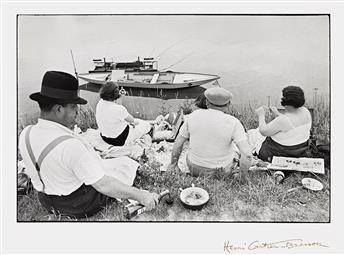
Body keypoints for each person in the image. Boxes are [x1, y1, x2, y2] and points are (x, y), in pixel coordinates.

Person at [18, 71, 159, 219]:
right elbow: (103, 185)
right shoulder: (70, 146)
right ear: (59, 109)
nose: (77, 112)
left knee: (110, 165)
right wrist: (141, 196)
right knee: (122, 168)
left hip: (46, 200)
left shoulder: (26, 133)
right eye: (73, 107)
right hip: (76, 204)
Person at [167, 87, 252, 181]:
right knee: (234, 151)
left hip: (194, 168)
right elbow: (247, 155)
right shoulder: (234, 122)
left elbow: (179, 141)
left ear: (207, 102)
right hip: (221, 172)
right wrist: (242, 177)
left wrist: (173, 165)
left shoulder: (193, 116)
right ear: (228, 105)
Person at [254, 85, 312, 163]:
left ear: (285, 100)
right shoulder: (305, 112)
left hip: (278, 153)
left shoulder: (282, 120)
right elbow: (291, 124)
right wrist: (277, 113)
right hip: (300, 150)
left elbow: (263, 131)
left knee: (253, 133)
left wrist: (261, 115)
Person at [95, 81, 151, 146]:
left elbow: (116, 107)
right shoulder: (119, 109)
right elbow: (131, 120)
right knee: (145, 125)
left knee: (122, 120)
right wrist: (135, 123)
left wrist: (120, 96)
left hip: (105, 137)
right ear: (115, 95)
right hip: (118, 140)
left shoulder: (100, 103)